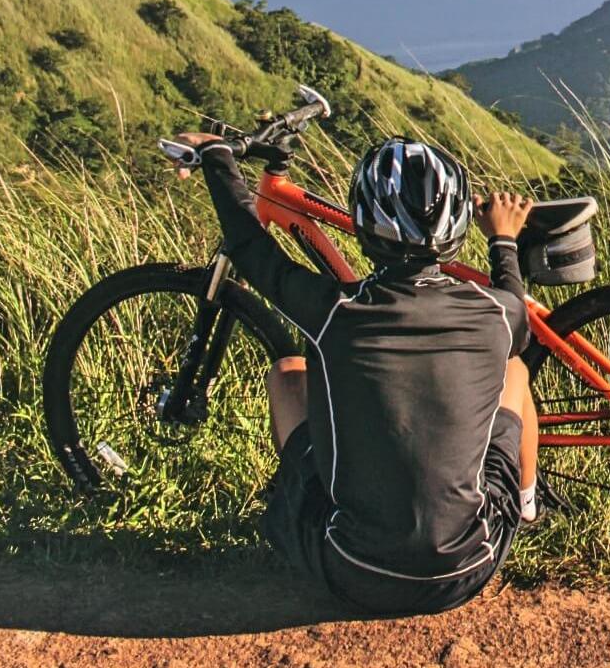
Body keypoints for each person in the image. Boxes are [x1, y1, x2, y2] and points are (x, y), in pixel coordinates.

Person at [173, 131, 541, 614]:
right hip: (468, 568)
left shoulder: (333, 311)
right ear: (456, 229)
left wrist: (218, 156)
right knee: (514, 372)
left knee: (287, 373)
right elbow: (515, 304)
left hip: (353, 571)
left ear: (364, 227)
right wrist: (504, 239)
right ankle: (527, 502)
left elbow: (247, 243)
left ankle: (302, 503)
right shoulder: (496, 313)